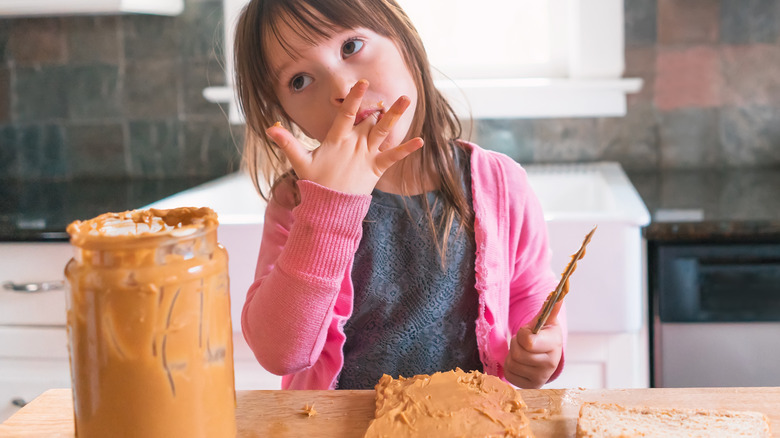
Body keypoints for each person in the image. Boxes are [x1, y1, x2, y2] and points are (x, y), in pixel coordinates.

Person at [233, 0, 567, 391]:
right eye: (300, 80)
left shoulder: (501, 183)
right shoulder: (296, 203)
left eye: (351, 47)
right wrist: (326, 211)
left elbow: (530, 292)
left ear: (405, 40)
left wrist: (544, 346)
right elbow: (280, 354)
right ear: (286, 115)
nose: (343, 90)